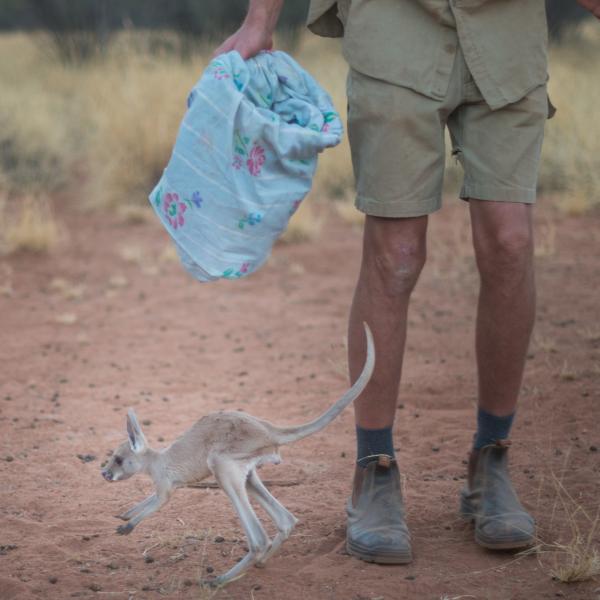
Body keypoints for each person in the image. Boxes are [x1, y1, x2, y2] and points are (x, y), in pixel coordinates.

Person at [214, 0, 600, 564]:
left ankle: (491, 459)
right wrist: (260, 19)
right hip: (395, 21)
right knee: (395, 254)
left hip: (506, 27)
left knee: (510, 242)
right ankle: (375, 469)